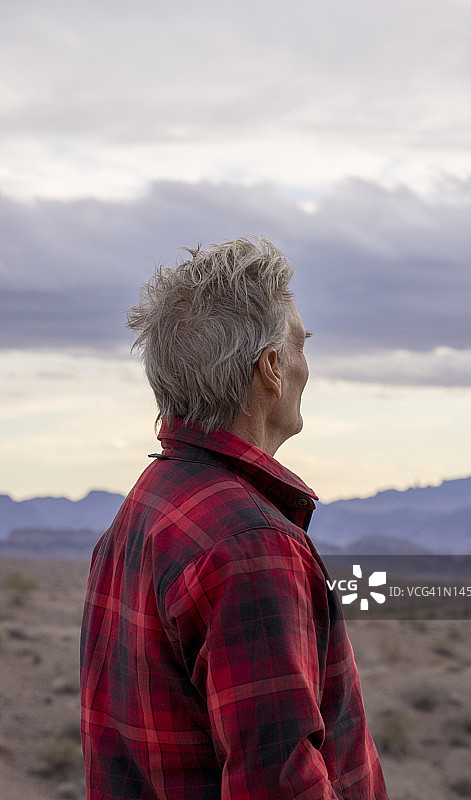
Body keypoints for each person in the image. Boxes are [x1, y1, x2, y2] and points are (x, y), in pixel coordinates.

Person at [80, 236, 389, 800]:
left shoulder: (148, 504)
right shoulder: (251, 544)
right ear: (271, 368)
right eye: (301, 345)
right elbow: (278, 786)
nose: (307, 367)